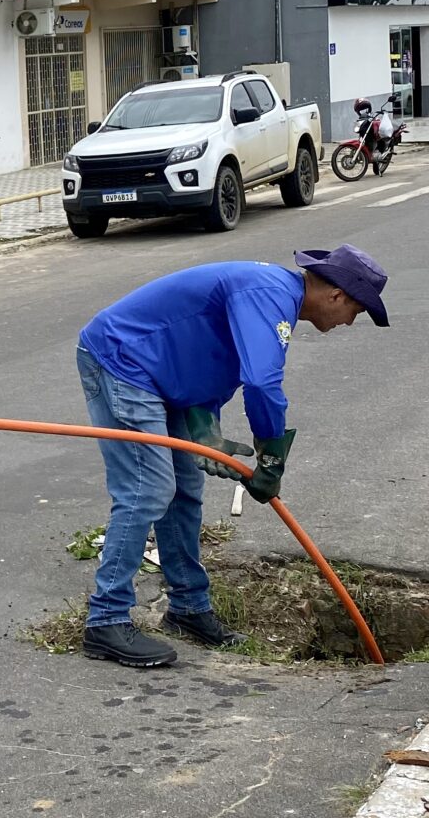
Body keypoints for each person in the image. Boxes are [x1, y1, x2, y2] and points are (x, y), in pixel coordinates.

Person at [74, 245, 389, 669]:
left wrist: (207, 426)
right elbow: (261, 383)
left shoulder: (274, 296)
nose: (350, 322)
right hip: (123, 362)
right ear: (336, 296)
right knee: (148, 488)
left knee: (184, 490)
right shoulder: (269, 294)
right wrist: (271, 455)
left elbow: (208, 352)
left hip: (159, 372)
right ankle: (105, 620)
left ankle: (188, 607)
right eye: (356, 311)